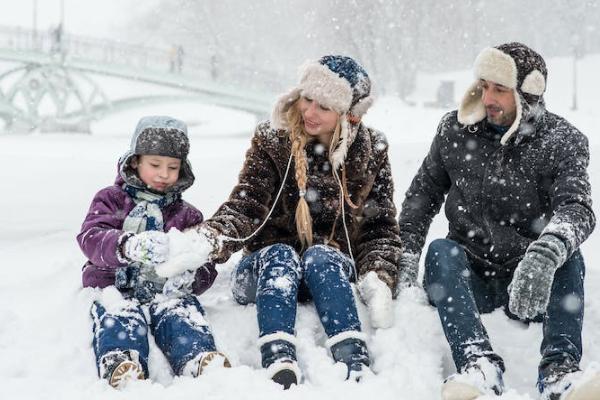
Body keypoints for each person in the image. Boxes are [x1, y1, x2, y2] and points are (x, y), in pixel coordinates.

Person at [156, 55, 403, 388]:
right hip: (265, 270)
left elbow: (380, 226)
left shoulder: (372, 150)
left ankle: (352, 356)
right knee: (281, 255)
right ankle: (278, 356)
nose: (309, 112)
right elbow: (247, 204)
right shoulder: (273, 140)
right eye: (308, 99)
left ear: (349, 116)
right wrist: (210, 238)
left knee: (321, 256)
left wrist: (378, 274)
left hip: (326, 273)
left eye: (324, 107)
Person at [398, 42, 598, 400]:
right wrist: (406, 258)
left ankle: (560, 371)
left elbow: (578, 208)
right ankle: (478, 364)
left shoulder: (561, 141)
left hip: (533, 282)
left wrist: (545, 254)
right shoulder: (455, 131)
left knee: (569, 254)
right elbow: (421, 197)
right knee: (441, 251)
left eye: (500, 89)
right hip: (470, 278)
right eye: (484, 85)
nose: (487, 97)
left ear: (528, 94)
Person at [77, 116, 230, 388]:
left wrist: (191, 277)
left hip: (164, 291)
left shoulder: (187, 215)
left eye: (173, 167)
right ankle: (122, 359)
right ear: (135, 161)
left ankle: (196, 356)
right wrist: (127, 245)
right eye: (155, 165)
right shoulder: (111, 199)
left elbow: (204, 262)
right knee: (119, 314)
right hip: (114, 286)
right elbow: (91, 237)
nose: (164, 174)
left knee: (180, 312)